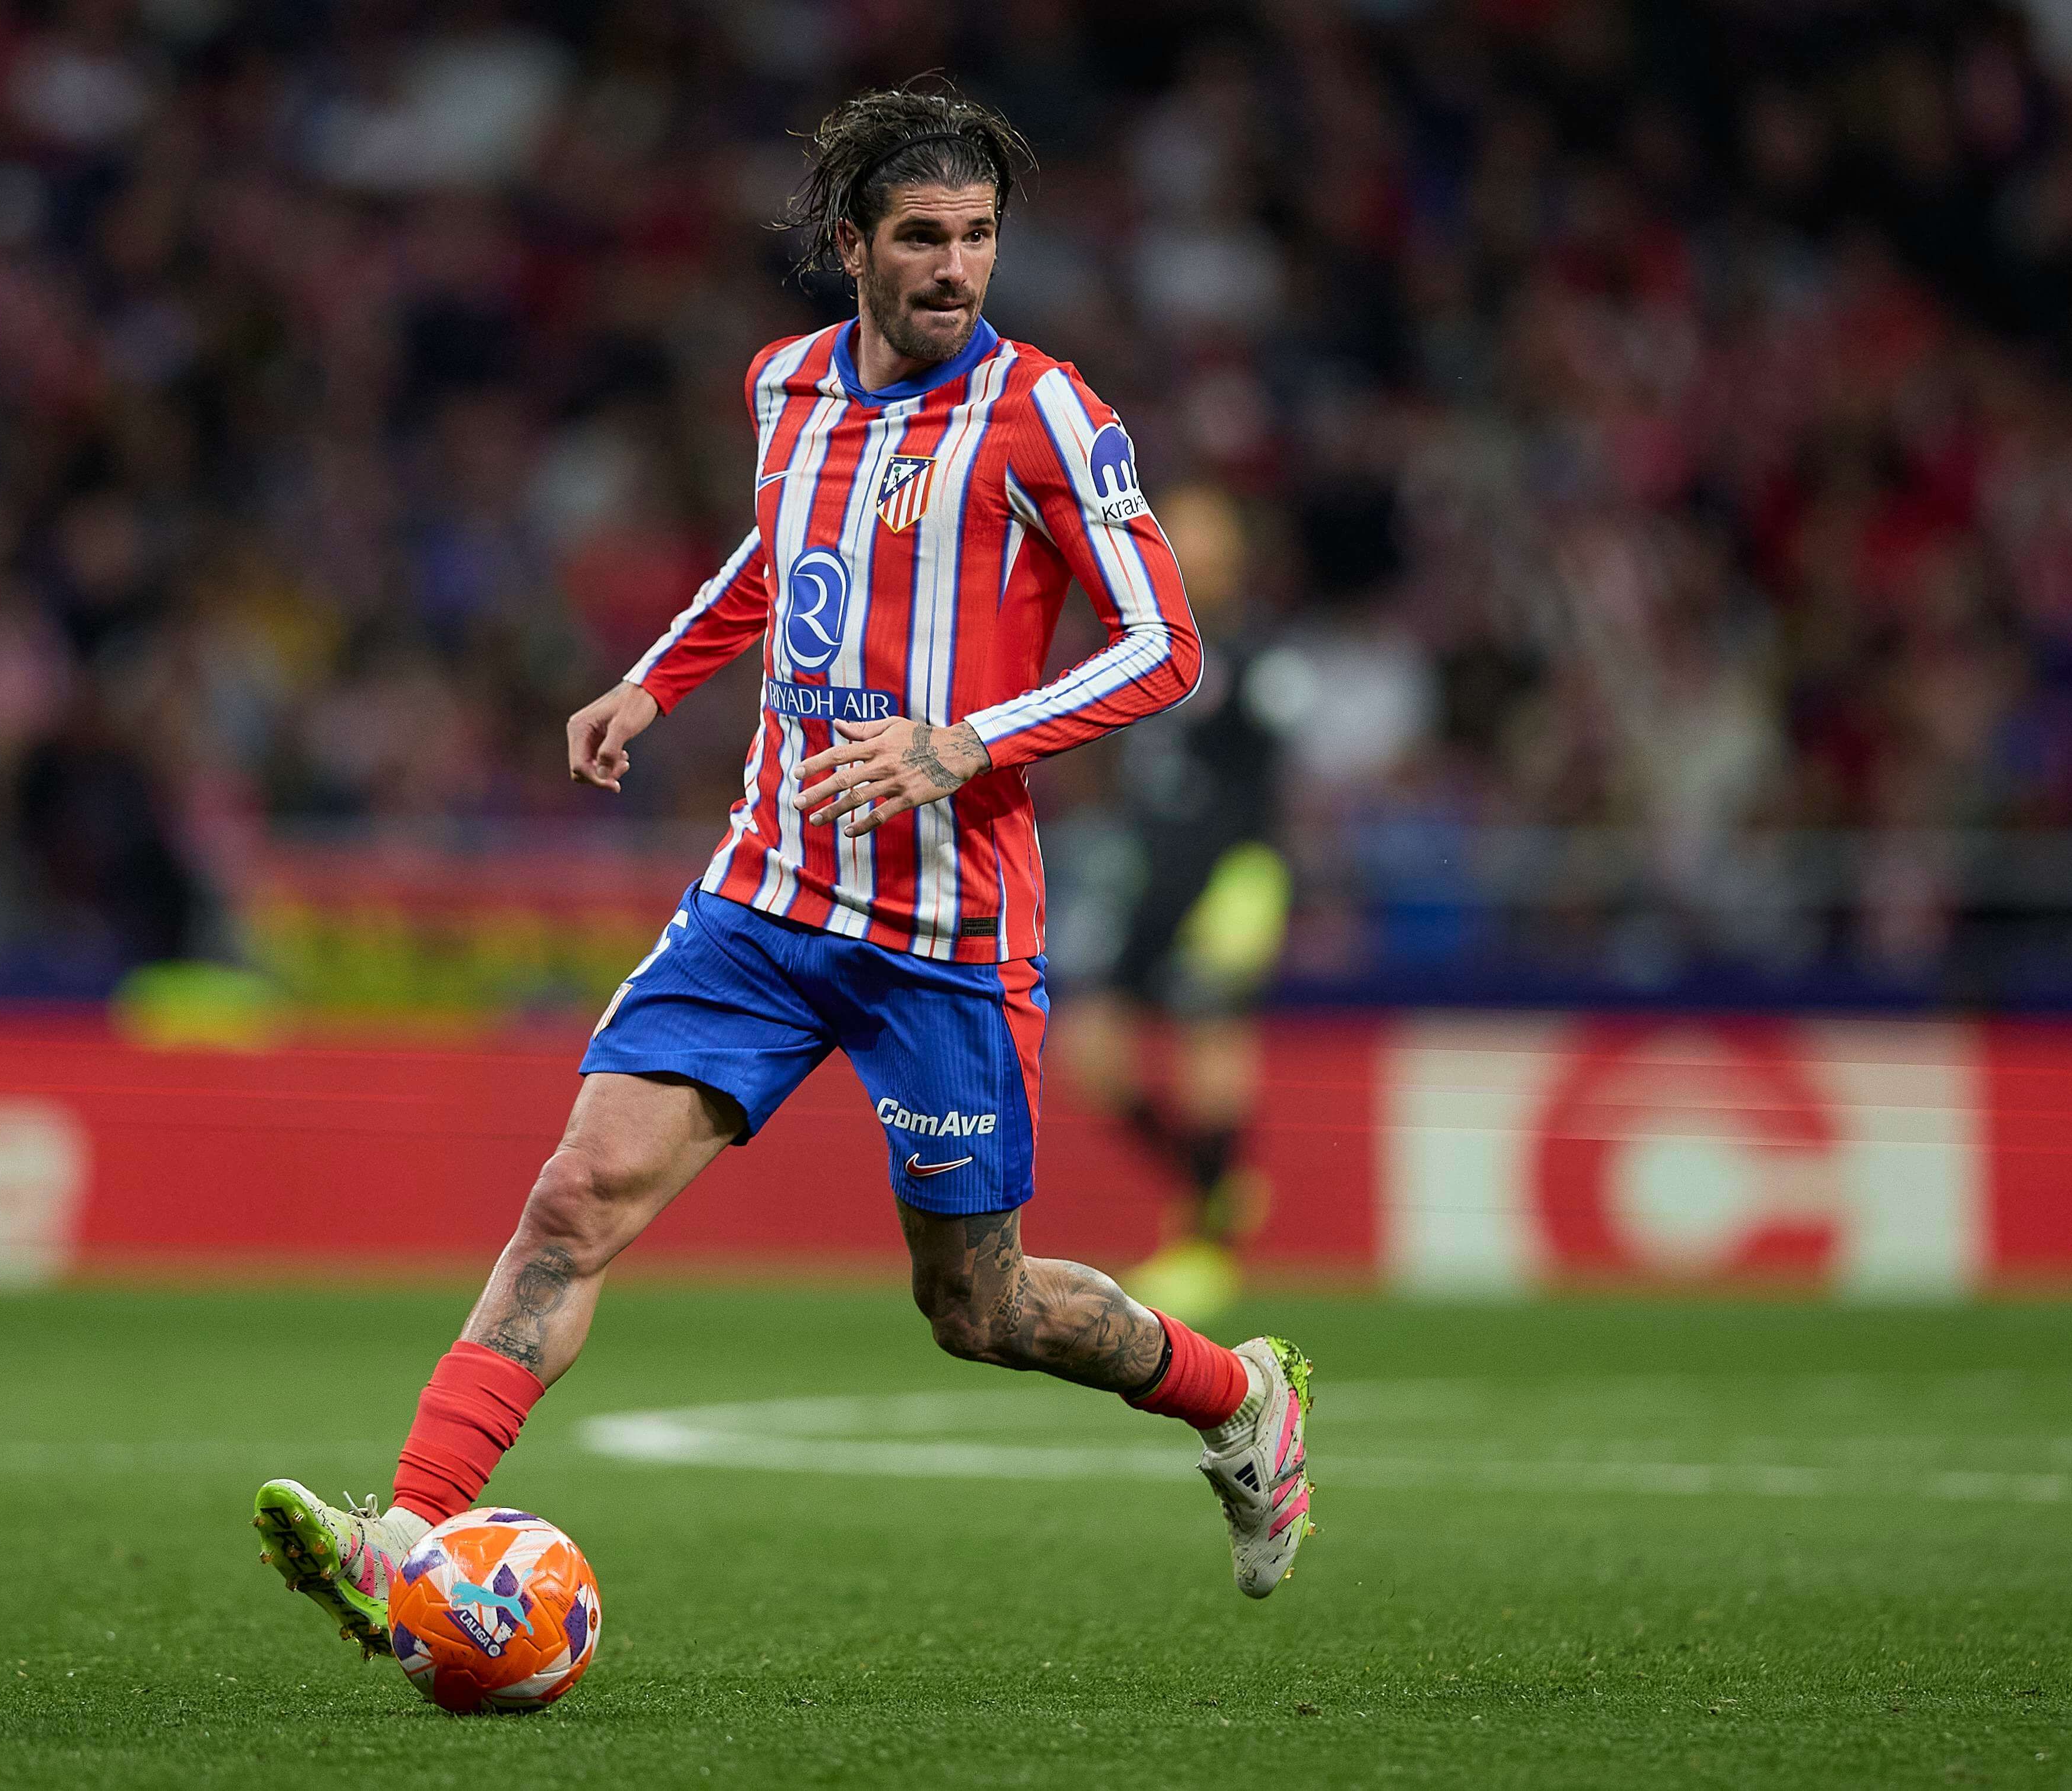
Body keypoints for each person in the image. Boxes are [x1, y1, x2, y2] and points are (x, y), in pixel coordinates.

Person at [252, 85, 1317, 1667]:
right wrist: (652, 683)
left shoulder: (1048, 412)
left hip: (945, 929)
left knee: (978, 1307)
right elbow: (777, 557)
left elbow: (1168, 645)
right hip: (764, 893)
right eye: (922, 236)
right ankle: (403, 1540)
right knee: (575, 1196)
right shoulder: (783, 385)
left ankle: (1239, 1397)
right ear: (852, 245)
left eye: (977, 237)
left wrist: (961, 741)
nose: (955, 267)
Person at [1059, 483, 1295, 1326]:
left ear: (1231, 555)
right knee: (1091, 1052)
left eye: (1205, 535)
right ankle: (1213, 1187)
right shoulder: (1134, 640)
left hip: (1231, 877)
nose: (1189, 549)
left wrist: (1255, 884)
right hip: (1145, 874)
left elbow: (1271, 782)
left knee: (1209, 1038)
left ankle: (1207, 1247)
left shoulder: (1256, 656)